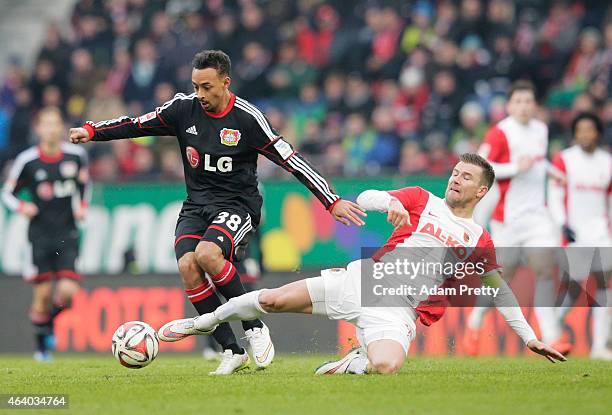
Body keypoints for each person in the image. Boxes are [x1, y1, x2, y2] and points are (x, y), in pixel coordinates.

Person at [69, 50, 365, 375]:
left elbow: (288, 158)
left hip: (238, 206)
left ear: (226, 82)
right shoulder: (183, 109)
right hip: (196, 205)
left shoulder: (247, 118)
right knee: (187, 265)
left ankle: (254, 328)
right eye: (196, 86)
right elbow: (138, 124)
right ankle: (232, 350)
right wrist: (93, 131)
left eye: (207, 87)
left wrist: (330, 200)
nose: (200, 94)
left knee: (208, 255)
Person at [157, 154, 566, 374]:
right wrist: (389, 202)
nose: (455, 179)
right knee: (275, 300)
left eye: (465, 177)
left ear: (481, 190)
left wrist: (529, 337)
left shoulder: (479, 240)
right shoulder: (423, 200)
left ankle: (355, 362)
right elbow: (367, 196)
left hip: (399, 311)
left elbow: (499, 289)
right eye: (455, 172)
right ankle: (202, 323)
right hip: (367, 280)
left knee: (387, 366)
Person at [464, 80, 569, 355]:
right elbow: (480, 166)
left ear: (534, 105)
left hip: (538, 216)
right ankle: (475, 322)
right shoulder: (500, 133)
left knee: (545, 270)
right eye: (518, 101)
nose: (524, 106)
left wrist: (551, 170)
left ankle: (552, 335)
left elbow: (537, 160)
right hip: (507, 219)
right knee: (502, 276)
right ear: (509, 106)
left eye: (528, 101)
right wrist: (514, 167)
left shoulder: (540, 129)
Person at [2, 106, 90, 361]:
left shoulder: (75, 156)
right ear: (38, 128)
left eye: (55, 123)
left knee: (68, 293)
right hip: (39, 234)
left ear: (61, 127)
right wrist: (22, 206)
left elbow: (85, 185)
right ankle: (41, 346)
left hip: (67, 232)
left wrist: (82, 206)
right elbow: (7, 192)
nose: (51, 129)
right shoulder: (27, 161)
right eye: (46, 124)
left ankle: (48, 323)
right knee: (41, 295)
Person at [548, 112, 612, 360]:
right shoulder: (564, 160)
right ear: (575, 134)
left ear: (597, 133)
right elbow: (554, 194)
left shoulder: (607, 162)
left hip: (601, 232)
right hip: (574, 233)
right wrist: (562, 223)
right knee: (575, 286)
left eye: (590, 129)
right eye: (580, 130)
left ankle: (599, 346)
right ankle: (554, 325)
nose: (585, 134)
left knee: (604, 283)